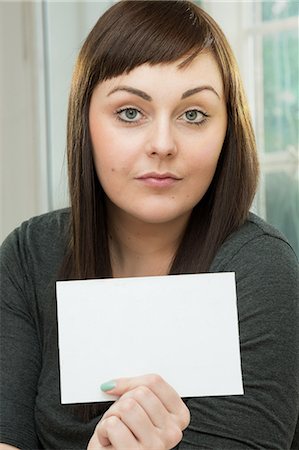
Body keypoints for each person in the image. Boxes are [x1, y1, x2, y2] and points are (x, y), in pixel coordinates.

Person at [0, 1, 298, 449]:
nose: (162, 144)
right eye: (130, 113)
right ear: (85, 122)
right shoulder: (29, 254)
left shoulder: (263, 269)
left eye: (193, 114)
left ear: (227, 131)